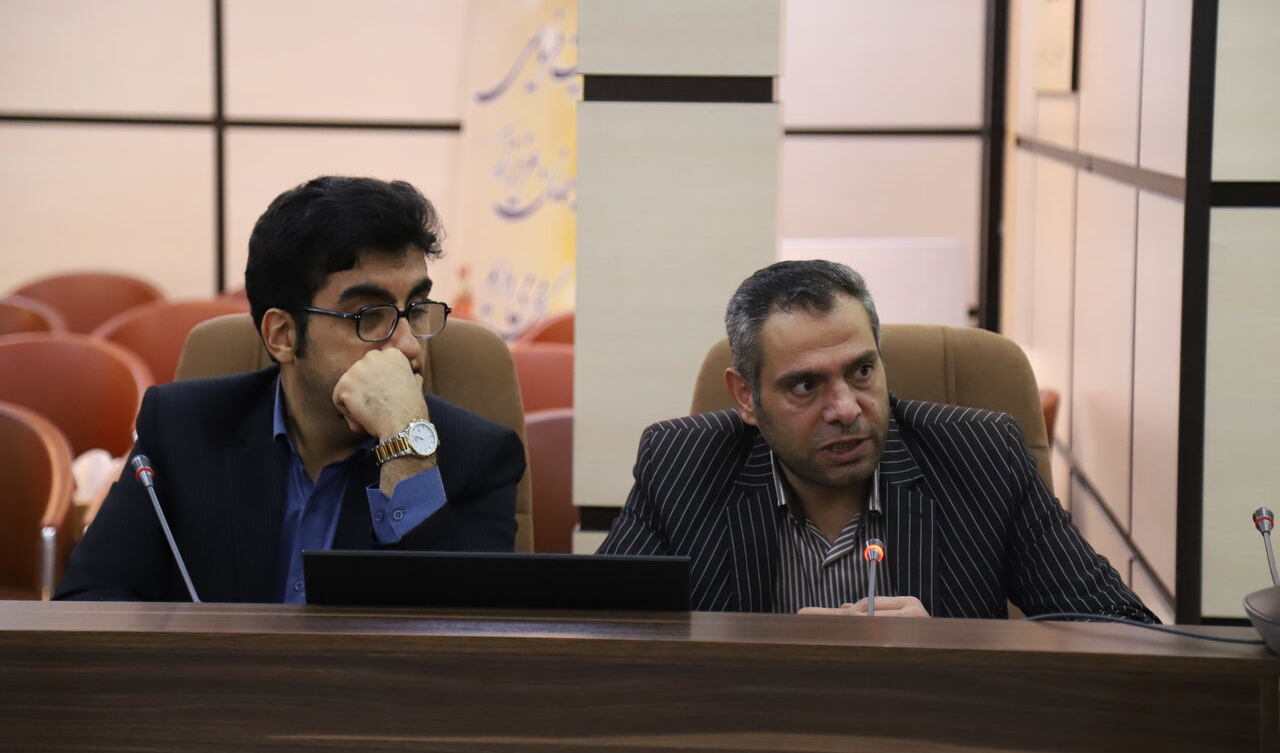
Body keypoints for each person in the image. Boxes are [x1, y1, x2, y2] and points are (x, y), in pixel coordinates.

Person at [599, 260, 1156, 621]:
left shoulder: (982, 457)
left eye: (862, 371)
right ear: (746, 397)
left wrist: (948, 651)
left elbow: (1123, 632)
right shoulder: (681, 465)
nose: (845, 409)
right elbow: (595, 634)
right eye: (805, 386)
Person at [56, 176, 525, 602]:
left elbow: (465, 639)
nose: (408, 346)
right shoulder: (182, 429)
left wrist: (406, 449)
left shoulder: (477, 457)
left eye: (416, 309)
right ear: (282, 335)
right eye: (369, 316)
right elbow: (89, 600)